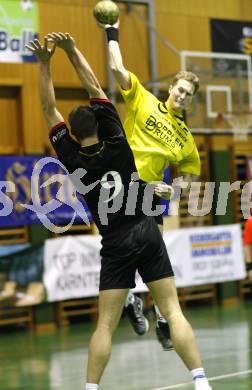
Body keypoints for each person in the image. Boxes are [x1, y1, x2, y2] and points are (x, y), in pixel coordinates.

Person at [25, 33, 211, 390]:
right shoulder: (119, 143)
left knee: (103, 326)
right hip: (145, 227)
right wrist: (69, 50)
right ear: (102, 124)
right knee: (174, 311)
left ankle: (91, 387)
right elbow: (93, 82)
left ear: (74, 134)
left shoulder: (71, 156)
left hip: (114, 242)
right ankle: (201, 381)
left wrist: (43, 65)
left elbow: (49, 109)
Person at [97, 21, 201, 350]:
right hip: (118, 184)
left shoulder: (185, 138)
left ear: (191, 100)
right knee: (122, 250)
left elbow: (190, 173)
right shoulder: (143, 99)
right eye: (180, 89)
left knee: (154, 256)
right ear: (171, 87)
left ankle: (157, 316)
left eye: (188, 94)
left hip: (150, 195)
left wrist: (178, 189)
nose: (182, 96)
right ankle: (133, 301)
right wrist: (112, 31)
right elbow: (116, 66)